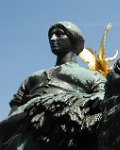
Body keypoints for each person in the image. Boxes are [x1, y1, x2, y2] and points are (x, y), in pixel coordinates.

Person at [0, 21, 106, 150]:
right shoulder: (34, 77)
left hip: (63, 135)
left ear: (73, 39)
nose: (52, 38)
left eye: (59, 34)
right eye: (51, 35)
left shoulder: (92, 76)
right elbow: (15, 107)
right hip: (24, 134)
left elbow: (104, 99)